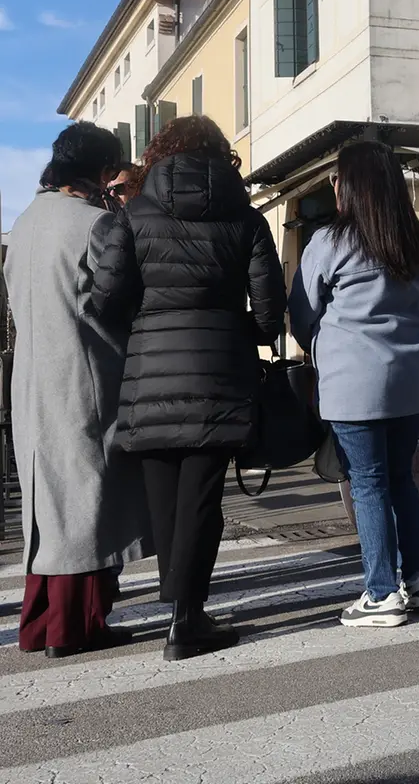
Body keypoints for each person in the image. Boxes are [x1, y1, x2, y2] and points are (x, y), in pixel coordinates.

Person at [91, 115, 286, 661]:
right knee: (203, 498)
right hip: (221, 371)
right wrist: (231, 330)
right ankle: (188, 618)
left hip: (151, 367)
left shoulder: (132, 217)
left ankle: (178, 608)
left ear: (159, 153)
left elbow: (102, 301)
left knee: (164, 499)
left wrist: (145, 327)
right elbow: (271, 316)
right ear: (220, 155)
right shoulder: (246, 220)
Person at [4, 123, 151, 657]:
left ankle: (43, 621)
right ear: (101, 169)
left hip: (33, 377)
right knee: (88, 499)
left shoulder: (22, 224)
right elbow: (117, 304)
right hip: (87, 371)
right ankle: (76, 625)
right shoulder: (99, 225)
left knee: (49, 501)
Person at [288, 141, 419, 628]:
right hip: (411, 378)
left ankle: (380, 593)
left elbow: (301, 312)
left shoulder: (331, 241)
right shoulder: (416, 241)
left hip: (354, 380)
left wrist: (320, 342)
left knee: (369, 484)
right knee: (402, 480)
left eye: (336, 179)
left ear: (347, 186)